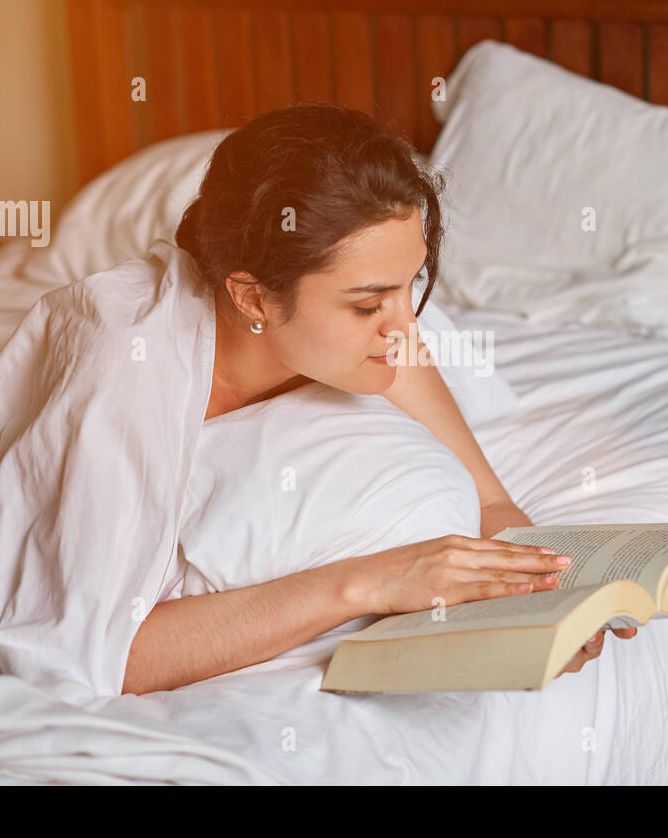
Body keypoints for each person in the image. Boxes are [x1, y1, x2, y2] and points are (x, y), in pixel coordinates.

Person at [111, 102, 637, 693]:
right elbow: (112, 652)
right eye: (366, 305)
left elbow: (492, 507)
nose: (408, 328)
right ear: (253, 299)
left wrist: (542, 607)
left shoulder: (389, 340)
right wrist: (366, 583)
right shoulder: (130, 389)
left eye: (411, 285)